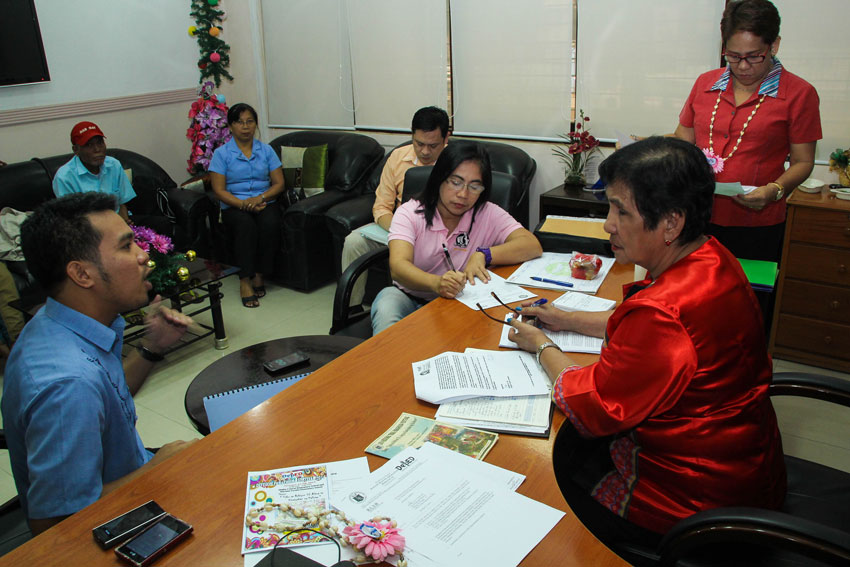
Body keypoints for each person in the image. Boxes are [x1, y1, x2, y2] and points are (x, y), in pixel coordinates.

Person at [507, 137, 785, 547]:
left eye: (621, 210)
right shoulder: (711, 257)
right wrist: (562, 319)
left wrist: (543, 346)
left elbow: (595, 405)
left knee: (544, 483)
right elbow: (637, 327)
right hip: (745, 466)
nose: (607, 224)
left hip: (691, 503)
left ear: (671, 223)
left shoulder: (662, 313)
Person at [1, 193, 196, 535]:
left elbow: (107, 398)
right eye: (126, 246)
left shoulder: (59, 320)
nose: (144, 255)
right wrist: (157, 471)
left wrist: (152, 347)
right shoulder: (66, 384)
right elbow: (55, 526)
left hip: (129, 476)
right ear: (81, 273)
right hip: (112, 526)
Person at [674, 0, 821, 263]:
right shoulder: (705, 83)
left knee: (747, 297)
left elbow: (803, 161)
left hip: (756, 224)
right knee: (692, 295)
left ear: (773, 45)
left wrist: (775, 189)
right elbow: (684, 140)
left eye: (754, 56)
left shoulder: (799, 94)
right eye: (733, 56)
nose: (742, 66)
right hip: (696, 214)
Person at [371, 142, 542, 334]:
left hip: (461, 301)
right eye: (456, 182)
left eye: (474, 186)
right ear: (440, 178)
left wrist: (484, 255)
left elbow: (531, 245)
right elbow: (398, 267)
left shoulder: (487, 213)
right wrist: (436, 283)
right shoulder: (409, 213)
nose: (463, 194)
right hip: (410, 297)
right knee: (387, 302)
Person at [341, 106, 450, 306]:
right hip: (398, 227)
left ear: (446, 139)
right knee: (354, 241)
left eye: (433, 146)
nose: (425, 151)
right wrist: (401, 232)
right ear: (412, 136)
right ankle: (352, 309)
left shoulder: (456, 163)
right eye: (419, 144)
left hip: (438, 233)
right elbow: (381, 207)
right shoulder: (398, 157)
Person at [209, 103, 284, 308]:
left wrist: (260, 199)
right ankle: (244, 280)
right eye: (239, 122)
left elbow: (279, 183)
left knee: (270, 224)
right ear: (231, 126)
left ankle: (259, 274)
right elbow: (219, 190)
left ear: (255, 125)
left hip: (264, 201)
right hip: (234, 204)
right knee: (245, 226)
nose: (245, 126)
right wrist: (244, 204)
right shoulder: (222, 154)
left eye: (250, 121)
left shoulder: (266, 150)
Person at [52, 121, 136, 223]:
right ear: (76, 150)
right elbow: (73, 221)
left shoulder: (114, 165)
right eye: (89, 145)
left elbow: (122, 204)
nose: (97, 149)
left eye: (100, 143)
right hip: (88, 231)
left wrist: (124, 225)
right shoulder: (64, 177)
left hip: (118, 222)